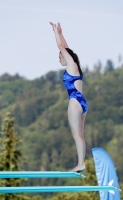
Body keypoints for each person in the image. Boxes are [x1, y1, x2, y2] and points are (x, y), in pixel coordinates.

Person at [50, 22, 88, 172]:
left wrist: (55, 33)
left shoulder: (71, 65)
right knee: (80, 135)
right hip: (83, 102)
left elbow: (61, 47)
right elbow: (65, 47)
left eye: (60, 57)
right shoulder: (74, 66)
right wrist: (60, 33)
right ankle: (81, 163)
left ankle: (80, 164)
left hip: (74, 101)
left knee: (76, 135)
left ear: (67, 57)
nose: (59, 59)